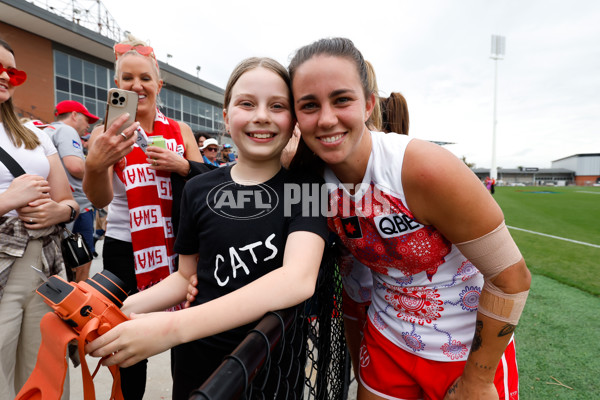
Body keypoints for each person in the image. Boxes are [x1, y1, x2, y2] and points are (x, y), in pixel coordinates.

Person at [288, 37, 531, 400]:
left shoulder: (421, 169)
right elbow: (355, 289)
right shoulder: (311, 182)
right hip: (385, 345)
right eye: (309, 105)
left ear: (369, 104)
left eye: (342, 100)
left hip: (464, 354)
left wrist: (478, 381)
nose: (326, 119)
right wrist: (360, 362)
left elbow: (511, 278)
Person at [85, 57, 328, 400]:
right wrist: (123, 310)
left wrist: (170, 329)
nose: (261, 115)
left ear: (293, 122)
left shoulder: (307, 188)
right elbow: (185, 276)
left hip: (272, 361)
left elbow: (298, 280)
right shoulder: (198, 188)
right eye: (247, 103)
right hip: (197, 359)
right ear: (226, 118)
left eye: (277, 105)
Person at [82, 35, 203, 399]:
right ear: (117, 86)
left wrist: (182, 165)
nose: (137, 85)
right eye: (128, 79)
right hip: (124, 251)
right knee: (129, 345)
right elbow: (100, 198)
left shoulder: (179, 131)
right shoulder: (105, 134)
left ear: (158, 85)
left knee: (185, 334)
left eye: (145, 78)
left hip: (180, 248)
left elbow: (206, 181)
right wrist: (95, 164)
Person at [0, 37, 78, 399]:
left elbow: (70, 200)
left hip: (44, 261)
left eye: (12, 71)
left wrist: (58, 211)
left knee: (45, 365)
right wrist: (8, 200)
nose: (5, 76)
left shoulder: (33, 133)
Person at [45, 100, 99, 282]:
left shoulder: (44, 129)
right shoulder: (67, 130)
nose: (87, 127)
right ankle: (78, 305)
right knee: (82, 259)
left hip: (51, 204)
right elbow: (75, 166)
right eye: (86, 120)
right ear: (74, 115)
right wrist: (98, 168)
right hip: (75, 206)